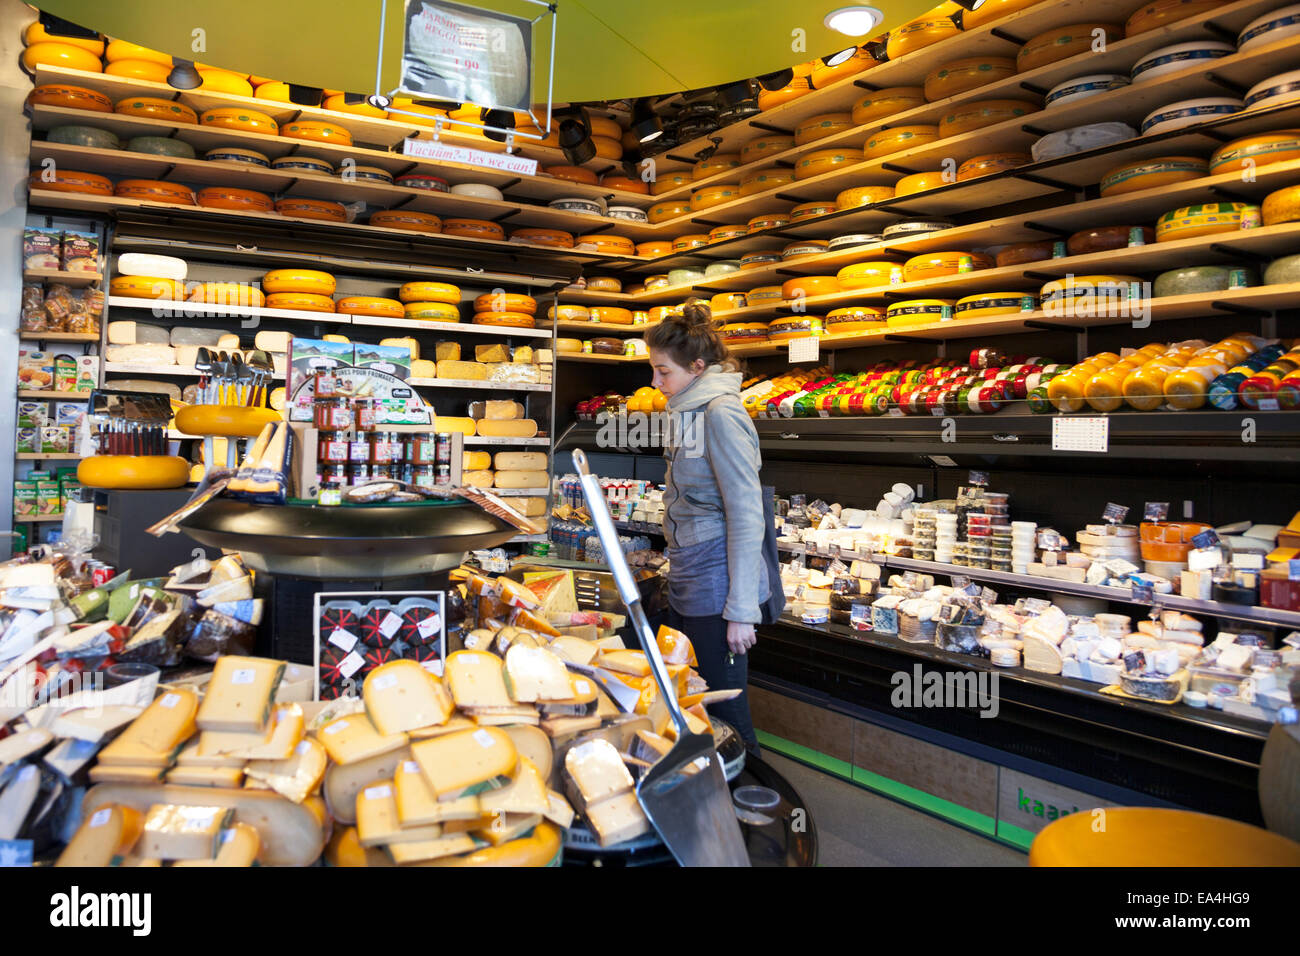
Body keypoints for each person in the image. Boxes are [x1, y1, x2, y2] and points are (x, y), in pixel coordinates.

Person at [646, 299, 767, 756]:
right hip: (689, 574)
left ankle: (752, 809)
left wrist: (741, 609)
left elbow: (745, 512)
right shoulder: (686, 411)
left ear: (697, 367)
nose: (655, 382)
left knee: (727, 714)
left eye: (663, 371)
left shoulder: (720, 413)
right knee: (694, 703)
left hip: (718, 584)